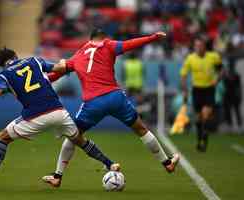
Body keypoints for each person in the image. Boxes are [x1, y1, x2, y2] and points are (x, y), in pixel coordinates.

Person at [0, 47, 120, 190]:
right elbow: (60, 67)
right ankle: (110, 164)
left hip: (35, 115)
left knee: (3, 137)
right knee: (80, 140)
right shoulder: (34, 60)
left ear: (1, 64)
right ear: (16, 55)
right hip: (59, 111)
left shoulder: (4, 75)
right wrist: (76, 63)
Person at [43, 29, 180, 187]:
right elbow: (129, 44)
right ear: (103, 38)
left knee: (73, 137)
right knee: (141, 129)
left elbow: (58, 72)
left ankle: (57, 176)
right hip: (115, 98)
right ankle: (167, 163)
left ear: (90, 39)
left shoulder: (78, 54)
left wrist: (44, 81)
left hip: (93, 103)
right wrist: (152, 37)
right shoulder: (108, 45)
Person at [180, 37, 223, 152]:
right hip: (197, 90)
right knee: (198, 119)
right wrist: (184, 90)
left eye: (201, 45)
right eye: (197, 45)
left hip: (209, 89)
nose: (199, 48)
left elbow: (221, 70)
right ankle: (200, 140)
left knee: (205, 115)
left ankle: (205, 134)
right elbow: (183, 75)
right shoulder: (190, 58)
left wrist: (217, 80)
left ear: (205, 46)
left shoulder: (213, 57)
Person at [223, 60, 242, 131]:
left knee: (237, 111)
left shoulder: (236, 76)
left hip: (235, 96)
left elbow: (238, 87)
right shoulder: (225, 75)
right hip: (227, 96)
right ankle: (229, 125)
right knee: (228, 111)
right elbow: (224, 85)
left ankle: (239, 125)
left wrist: (239, 95)